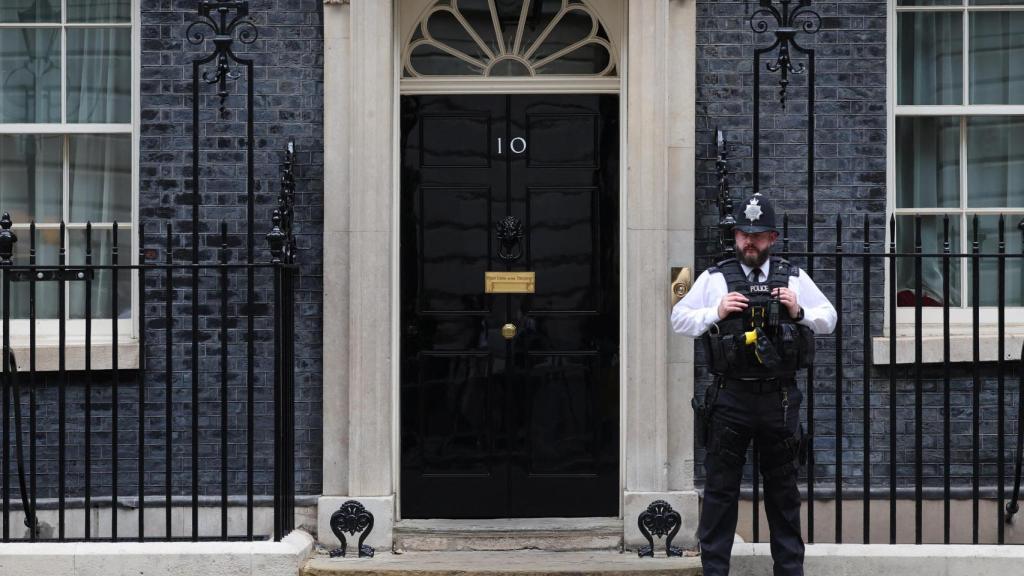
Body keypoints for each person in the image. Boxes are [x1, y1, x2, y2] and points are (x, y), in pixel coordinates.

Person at [671, 192, 836, 576]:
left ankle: (789, 571)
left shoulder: (792, 277)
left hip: (778, 400)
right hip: (730, 397)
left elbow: (829, 318)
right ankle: (714, 571)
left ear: (772, 238)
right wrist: (716, 310)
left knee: (783, 494)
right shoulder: (714, 279)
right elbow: (679, 319)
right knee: (720, 493)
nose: (749, 241)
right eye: (743, 234)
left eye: (757, 235)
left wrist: (800, 310)